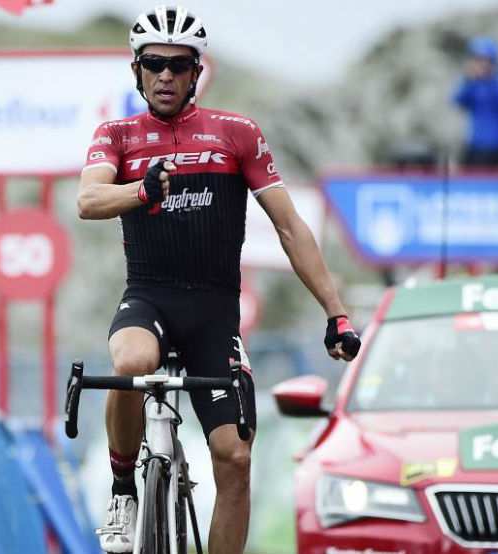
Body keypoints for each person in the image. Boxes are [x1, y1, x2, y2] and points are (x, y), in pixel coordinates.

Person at [76, 6, 362, 553]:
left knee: (234, 458)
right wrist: (141, 191)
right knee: (131, 363)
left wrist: (336, 313)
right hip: (149, 300)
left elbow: (290, 227)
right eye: (154, 64)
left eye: (179, 66)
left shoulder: (237, 133)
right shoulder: (117, 135)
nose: (165, 75)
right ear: (136, 71)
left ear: (196, 72)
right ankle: (123, 490)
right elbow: (88, 200)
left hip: (213, 314)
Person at [452, 37, 498, 169]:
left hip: (496, 147)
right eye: (477, 60)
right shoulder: (473, 84)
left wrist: (492, 81)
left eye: (485, 60)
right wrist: (468, 80)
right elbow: (458, 100)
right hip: (474, 144)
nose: (481, 65)